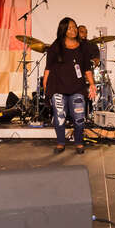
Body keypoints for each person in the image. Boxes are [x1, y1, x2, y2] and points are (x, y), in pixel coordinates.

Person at [44, 18, 97, 154]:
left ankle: (78, 142)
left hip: (77, 87)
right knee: (59, 117)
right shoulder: (56, 46)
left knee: (79, 118)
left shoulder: (83, 47)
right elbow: (48, 69)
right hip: (57, 87)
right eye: (69, 28)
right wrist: (46, 88)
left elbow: (87, 68)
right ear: (63, 30)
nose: (73, 30)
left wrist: (92, 84)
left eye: (74, 27)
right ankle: (61, 142)